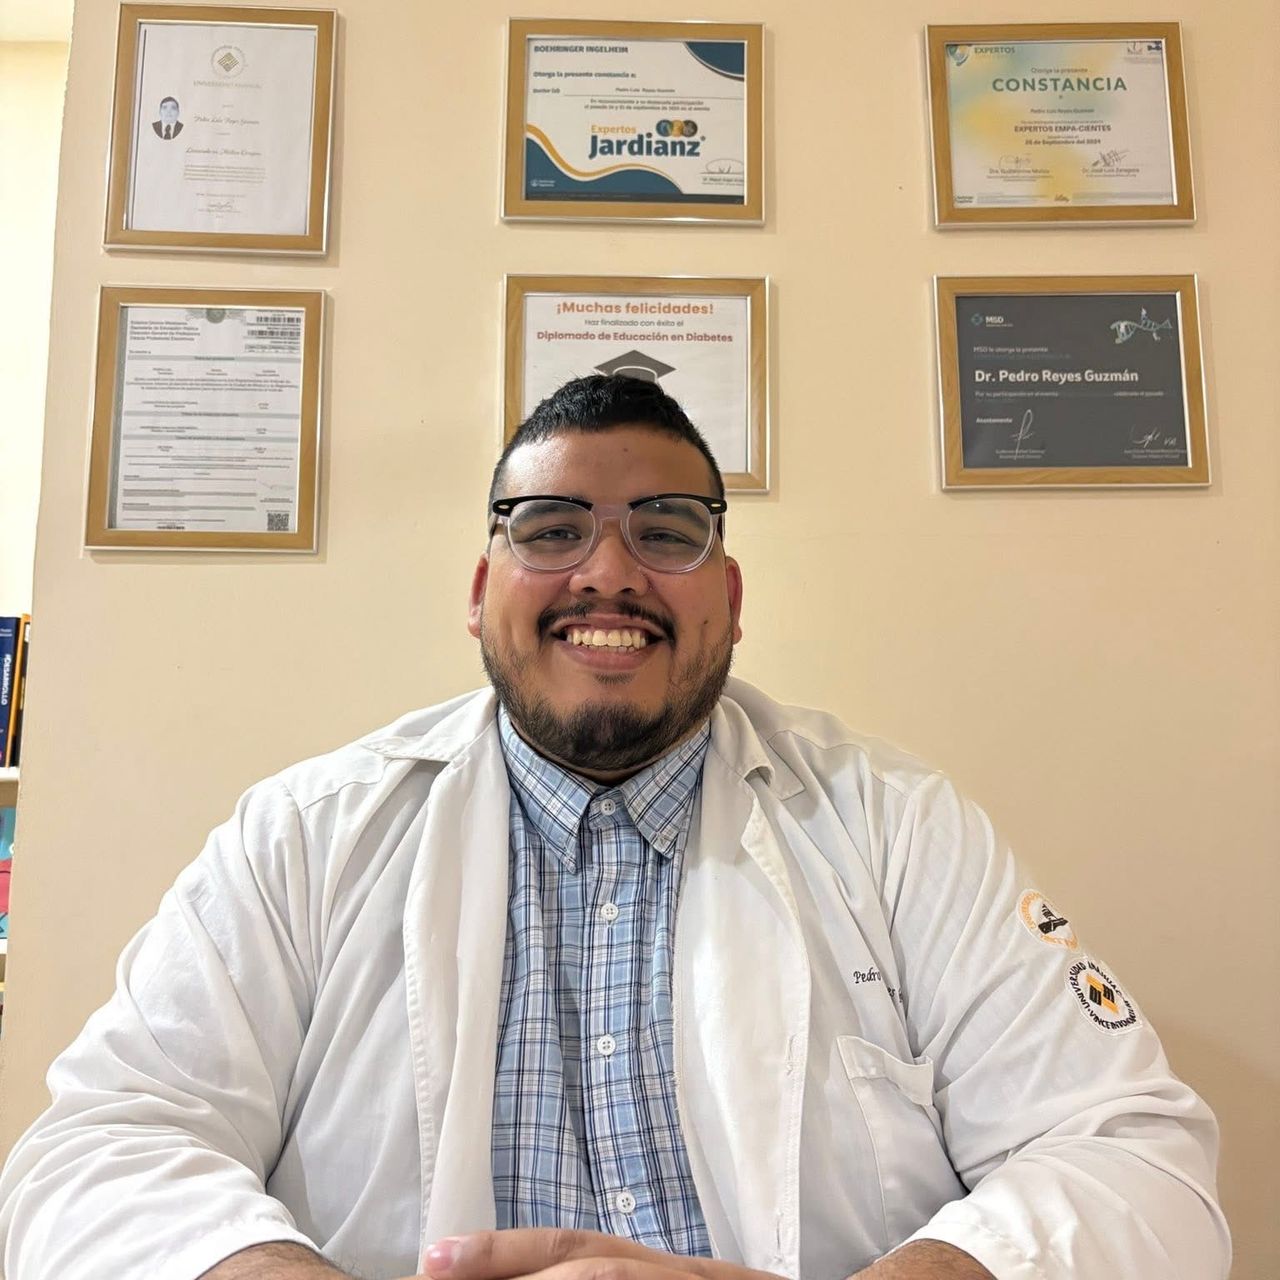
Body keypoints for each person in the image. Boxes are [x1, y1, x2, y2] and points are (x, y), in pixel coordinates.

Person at [0, 377, 1229, 1280]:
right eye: (550, 529)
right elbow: (98, 1150)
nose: (607, 571)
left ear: (728, 600)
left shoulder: (899, 827)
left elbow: (1132, 1159)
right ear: (480, 592)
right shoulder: (303, 836)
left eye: (666, 529)